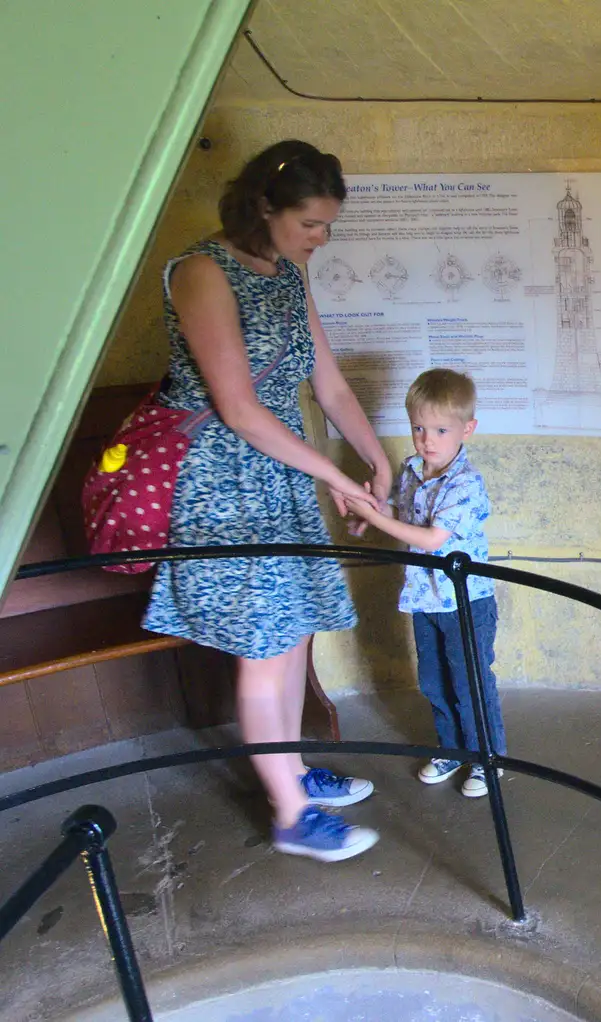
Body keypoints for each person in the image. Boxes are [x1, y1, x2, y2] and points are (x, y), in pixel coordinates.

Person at [143, 140, 387, 862]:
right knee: (265, 647)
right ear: (264, 207)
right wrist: (337, 480)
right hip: (226, 482)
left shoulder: (285, 274)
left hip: (282, 472)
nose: (322, 239)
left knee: (297, 632)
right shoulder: (199, 272)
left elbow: (329, 384)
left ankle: (292, 772)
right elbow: (240, 409)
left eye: (327, 226)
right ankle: (290, 815)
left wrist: (373, 459)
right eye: (311, 224)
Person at [345, 369, 506, 798]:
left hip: (465, 601)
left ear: (466, 430)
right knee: (434, 681)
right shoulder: (413, 470)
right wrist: (369, 509)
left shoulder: (467, 484)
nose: (427, 439)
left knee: (469, 680)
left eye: (439, 429)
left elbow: (433, 537)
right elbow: (398, 507)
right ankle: (452, 750)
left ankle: (486, 757)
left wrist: (380, 520)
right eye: (418, 428)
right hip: (424, 596)